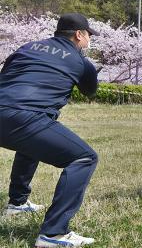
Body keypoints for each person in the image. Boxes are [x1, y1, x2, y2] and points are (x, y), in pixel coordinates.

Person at [0, 13, 99, 247]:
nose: (89, 41)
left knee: (33, 141)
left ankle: (17, 203)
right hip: (23, 117)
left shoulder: (27, 47)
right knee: (84, 157)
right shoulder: (81, 62)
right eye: (89, 36)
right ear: (79, 35)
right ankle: (53, 234)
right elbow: (90, 92)